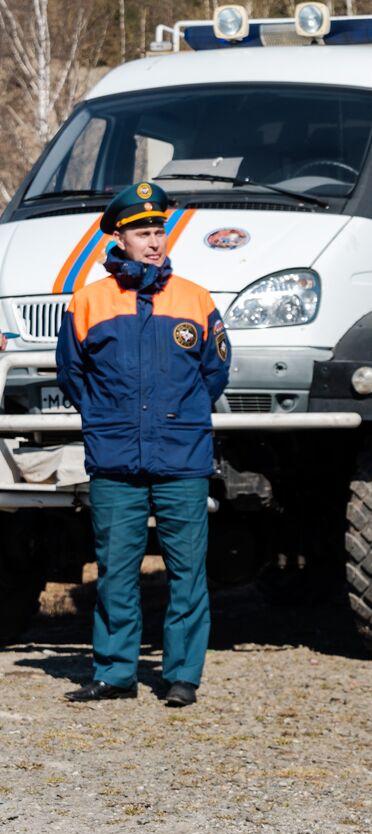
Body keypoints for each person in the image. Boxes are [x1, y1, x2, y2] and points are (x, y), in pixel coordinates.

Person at [57, 182, 231, 706]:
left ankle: (181, 676)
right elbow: (73, 374)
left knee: (186, 571)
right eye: (141, 233)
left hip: (182, 457)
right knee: (115, 571)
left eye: (158, 232)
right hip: (114, 458)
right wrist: (108, 417)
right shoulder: (88, 301)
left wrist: (179, 416)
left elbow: (214, 372)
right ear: (119, 238)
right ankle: (114, 673)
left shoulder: (195, 299)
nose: (153, 242)